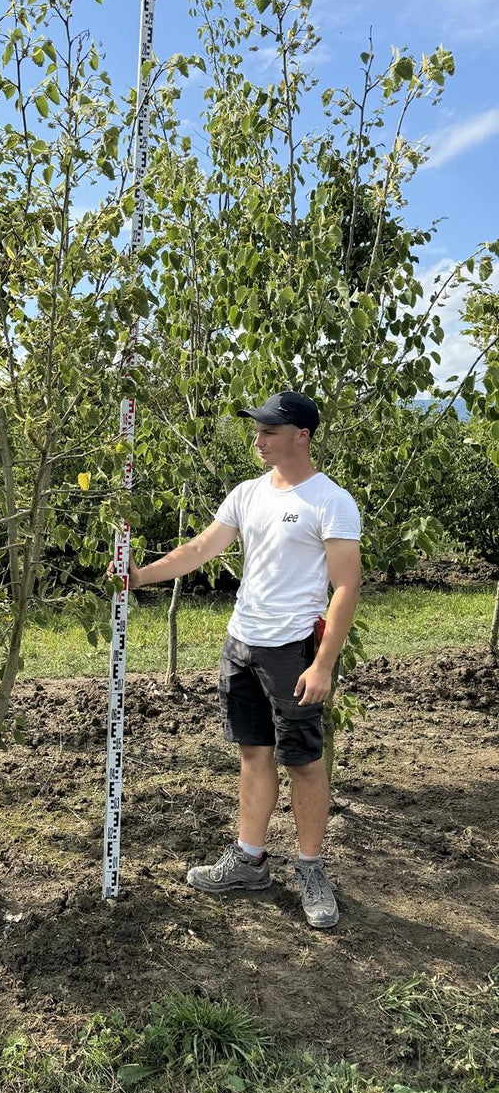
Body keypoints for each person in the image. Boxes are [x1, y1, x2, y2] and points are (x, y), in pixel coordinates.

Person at [125, 391, 361, 928]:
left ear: (301, 435)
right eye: (257, 429)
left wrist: (322, 664)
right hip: (241, 644)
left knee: (303, 762)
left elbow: (346, 587)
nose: (259, 439)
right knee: (253, 755)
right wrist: (140, 577)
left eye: (270, 431)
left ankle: (310, 870)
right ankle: (250, 861)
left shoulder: (331, 501)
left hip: (293, 651)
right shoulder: (247, 494)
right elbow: (200, 549)